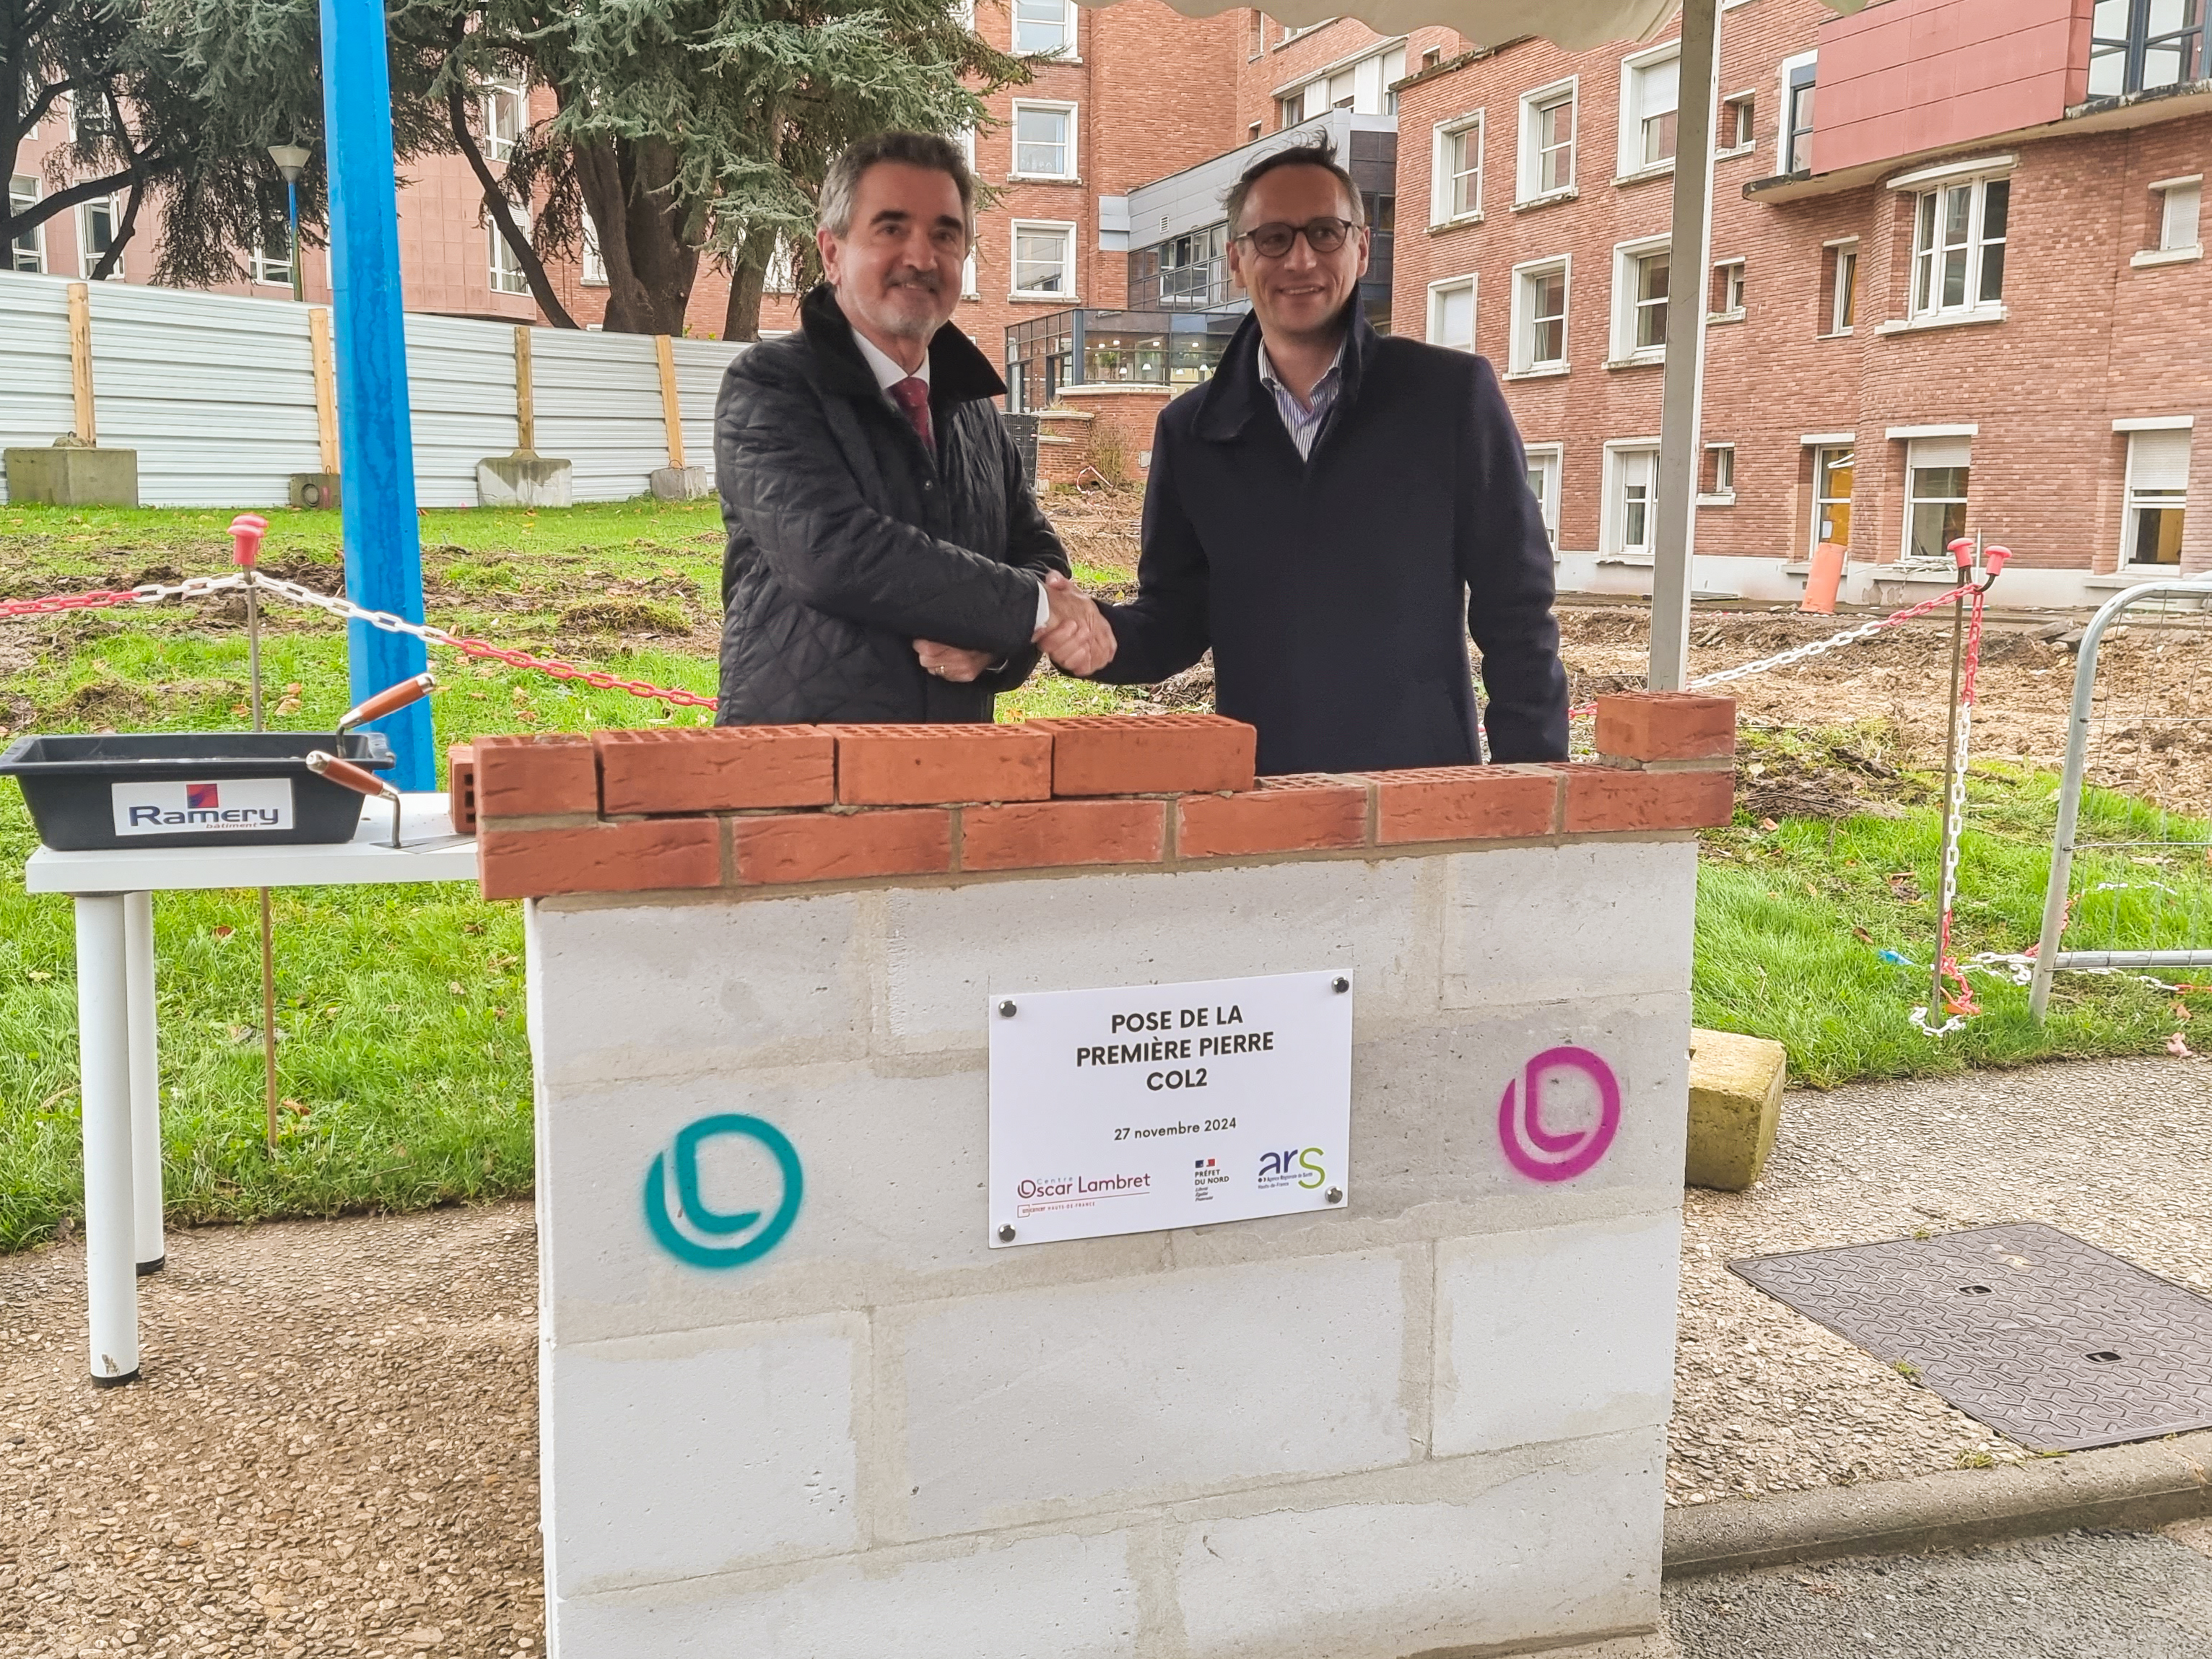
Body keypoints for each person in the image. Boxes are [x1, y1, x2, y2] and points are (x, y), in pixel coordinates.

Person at [1078, 140, 1567, 775]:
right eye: (1273, 237)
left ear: (1362, 247)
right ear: (1236, 259)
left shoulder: (1448, 399)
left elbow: (1517, 608)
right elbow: (1173, 621)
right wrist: (1087, 634)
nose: (1301, 258)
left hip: (1420, 794)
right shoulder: (1192, 432)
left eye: (1325, 233)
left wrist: (1530, 785)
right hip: (1263, 801)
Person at [713, 130, 1115, 724]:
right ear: (831, 253)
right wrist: (1033, 610)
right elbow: (835, 554)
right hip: (806, 773)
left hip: (953, 779)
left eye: (945, 235)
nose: (922, 257)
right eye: (891, 228)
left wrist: (996, 644)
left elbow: (1037, 553)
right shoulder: (771, 386)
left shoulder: (972, 407)